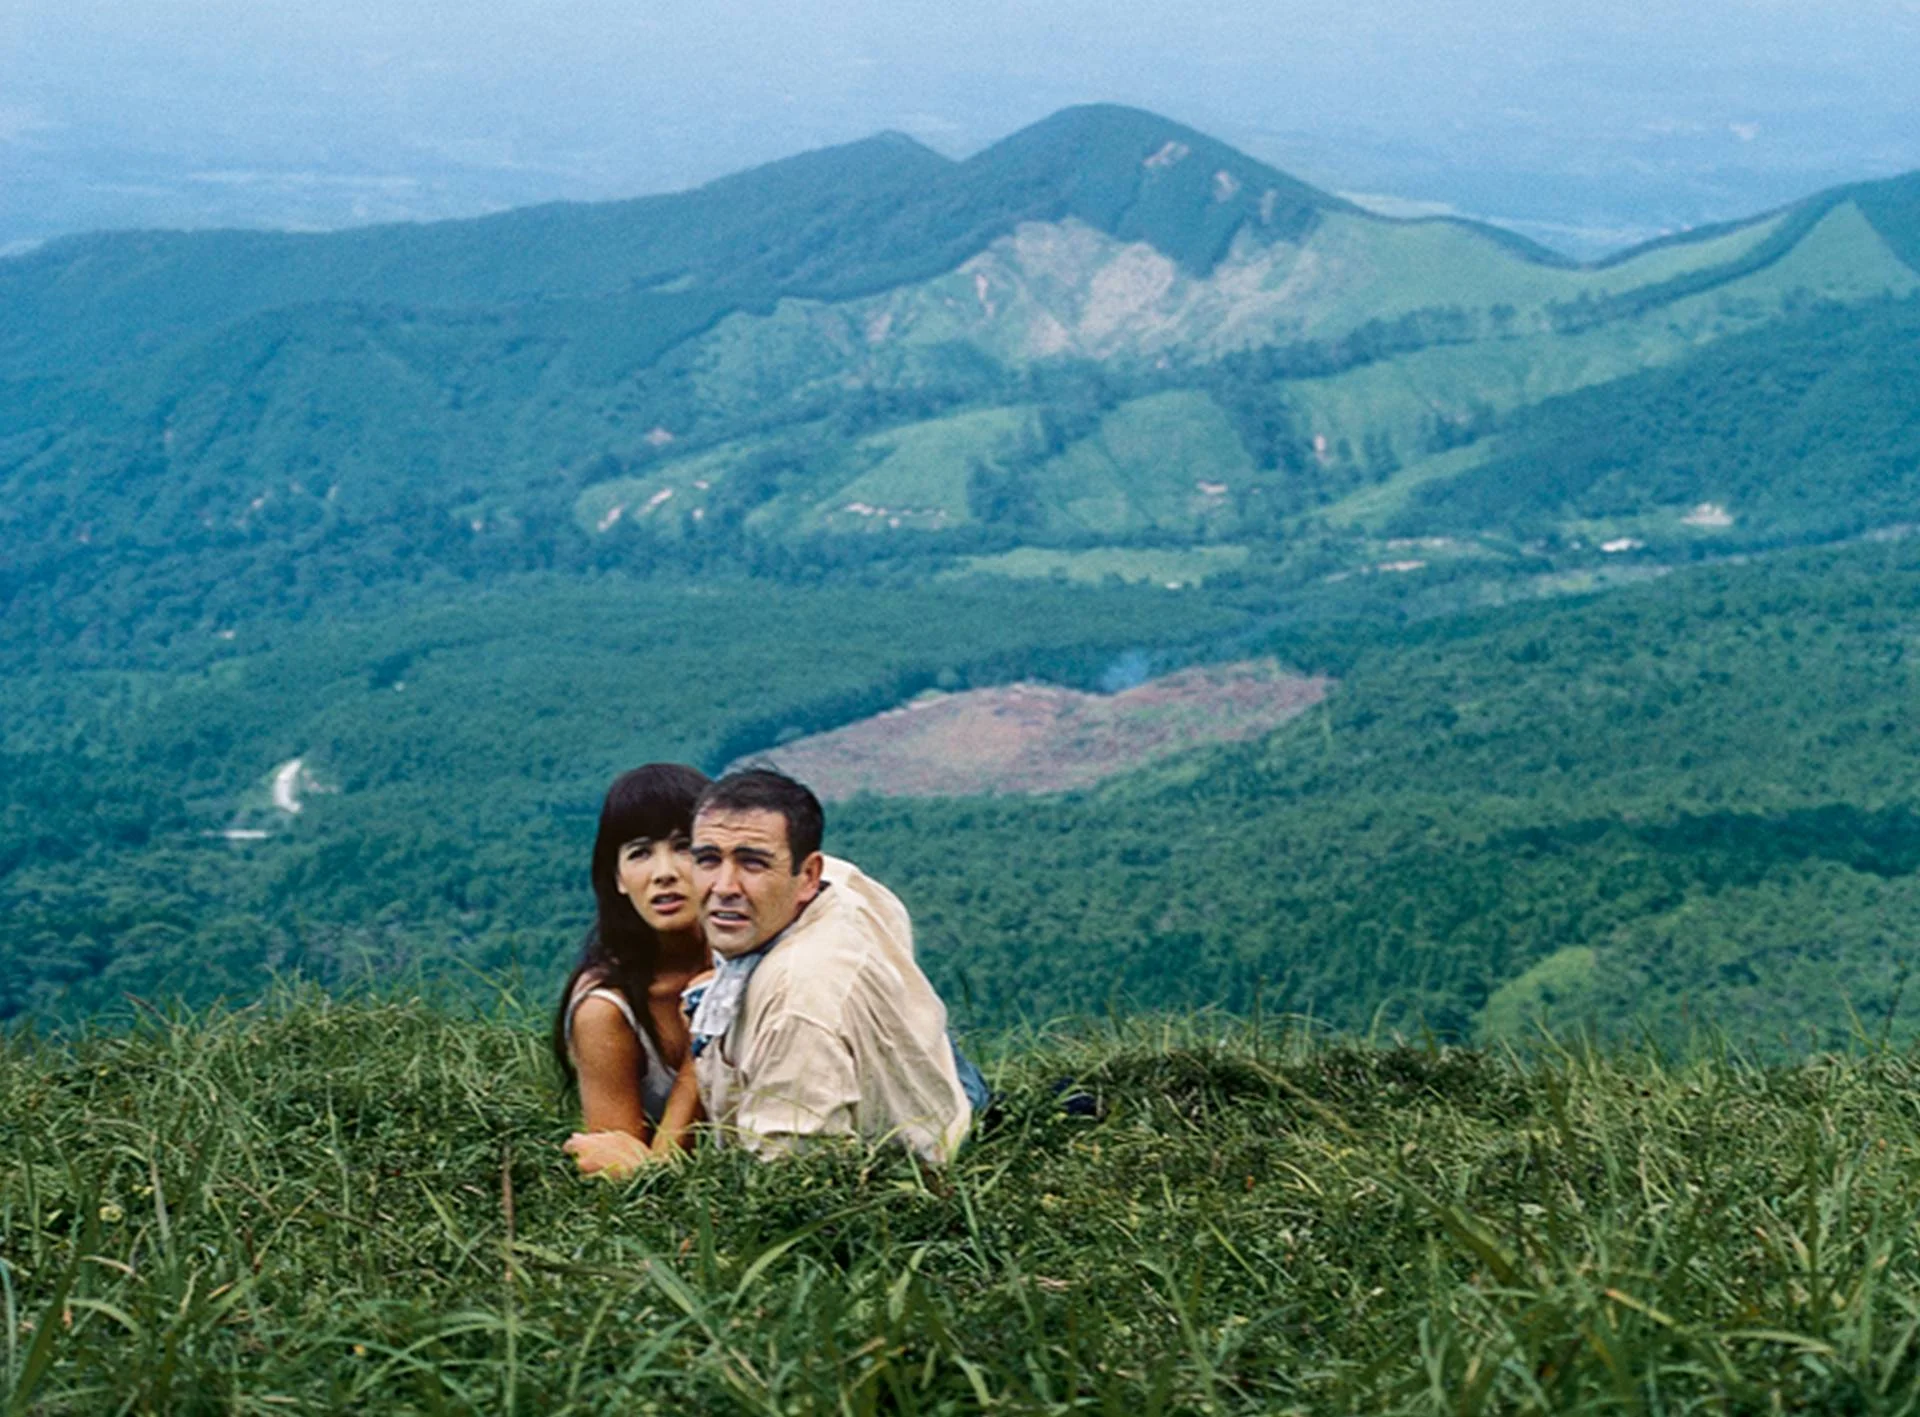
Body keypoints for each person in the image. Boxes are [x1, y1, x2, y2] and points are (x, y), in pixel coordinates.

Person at [684, 767, 978, 1162]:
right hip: (944, 1072)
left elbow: (789, 1180)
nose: (724, 887)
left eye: (752, 864)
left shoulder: (797, 1002)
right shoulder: (833, 887)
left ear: (807, 876)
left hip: (916, 1161)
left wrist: (646, 1178)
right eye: (707, 859)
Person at [553, 763, 712, 1177]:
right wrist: (706, 1042)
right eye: (640, 853)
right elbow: (626, 1178)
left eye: (685, 847)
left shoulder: (764, 960)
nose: (664, 873)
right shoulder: (605, 1011)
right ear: (619, 878)